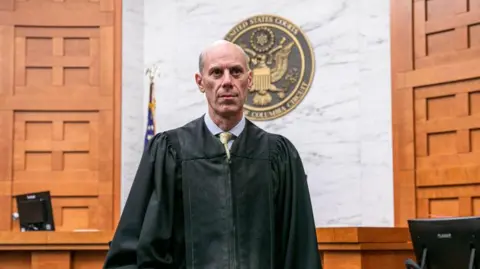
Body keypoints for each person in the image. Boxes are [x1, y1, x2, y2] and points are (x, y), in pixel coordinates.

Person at [103, 40, 322, 269]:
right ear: (200, 82)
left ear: (249, 80)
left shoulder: (278, 156)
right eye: (216, 72)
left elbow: (300, 250)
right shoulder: (170, 151)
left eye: (235, 72)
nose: (227, 81)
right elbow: (134, 248)